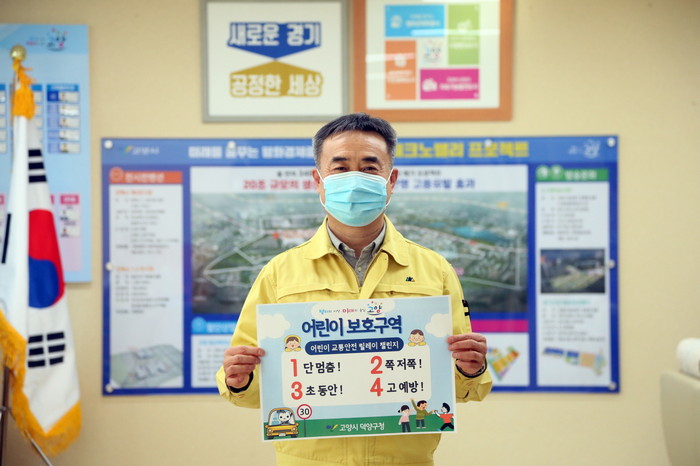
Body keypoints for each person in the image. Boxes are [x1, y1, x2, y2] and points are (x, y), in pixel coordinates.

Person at [216, 112, 492, 466]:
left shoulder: (434, 270)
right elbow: (253, 392)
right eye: (341, 168)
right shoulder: (279, 274)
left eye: (369, 168)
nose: (355, 180)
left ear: (391, 180)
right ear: (318, 180)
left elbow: (461, 390)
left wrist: (471, 369)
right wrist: (239, 379)